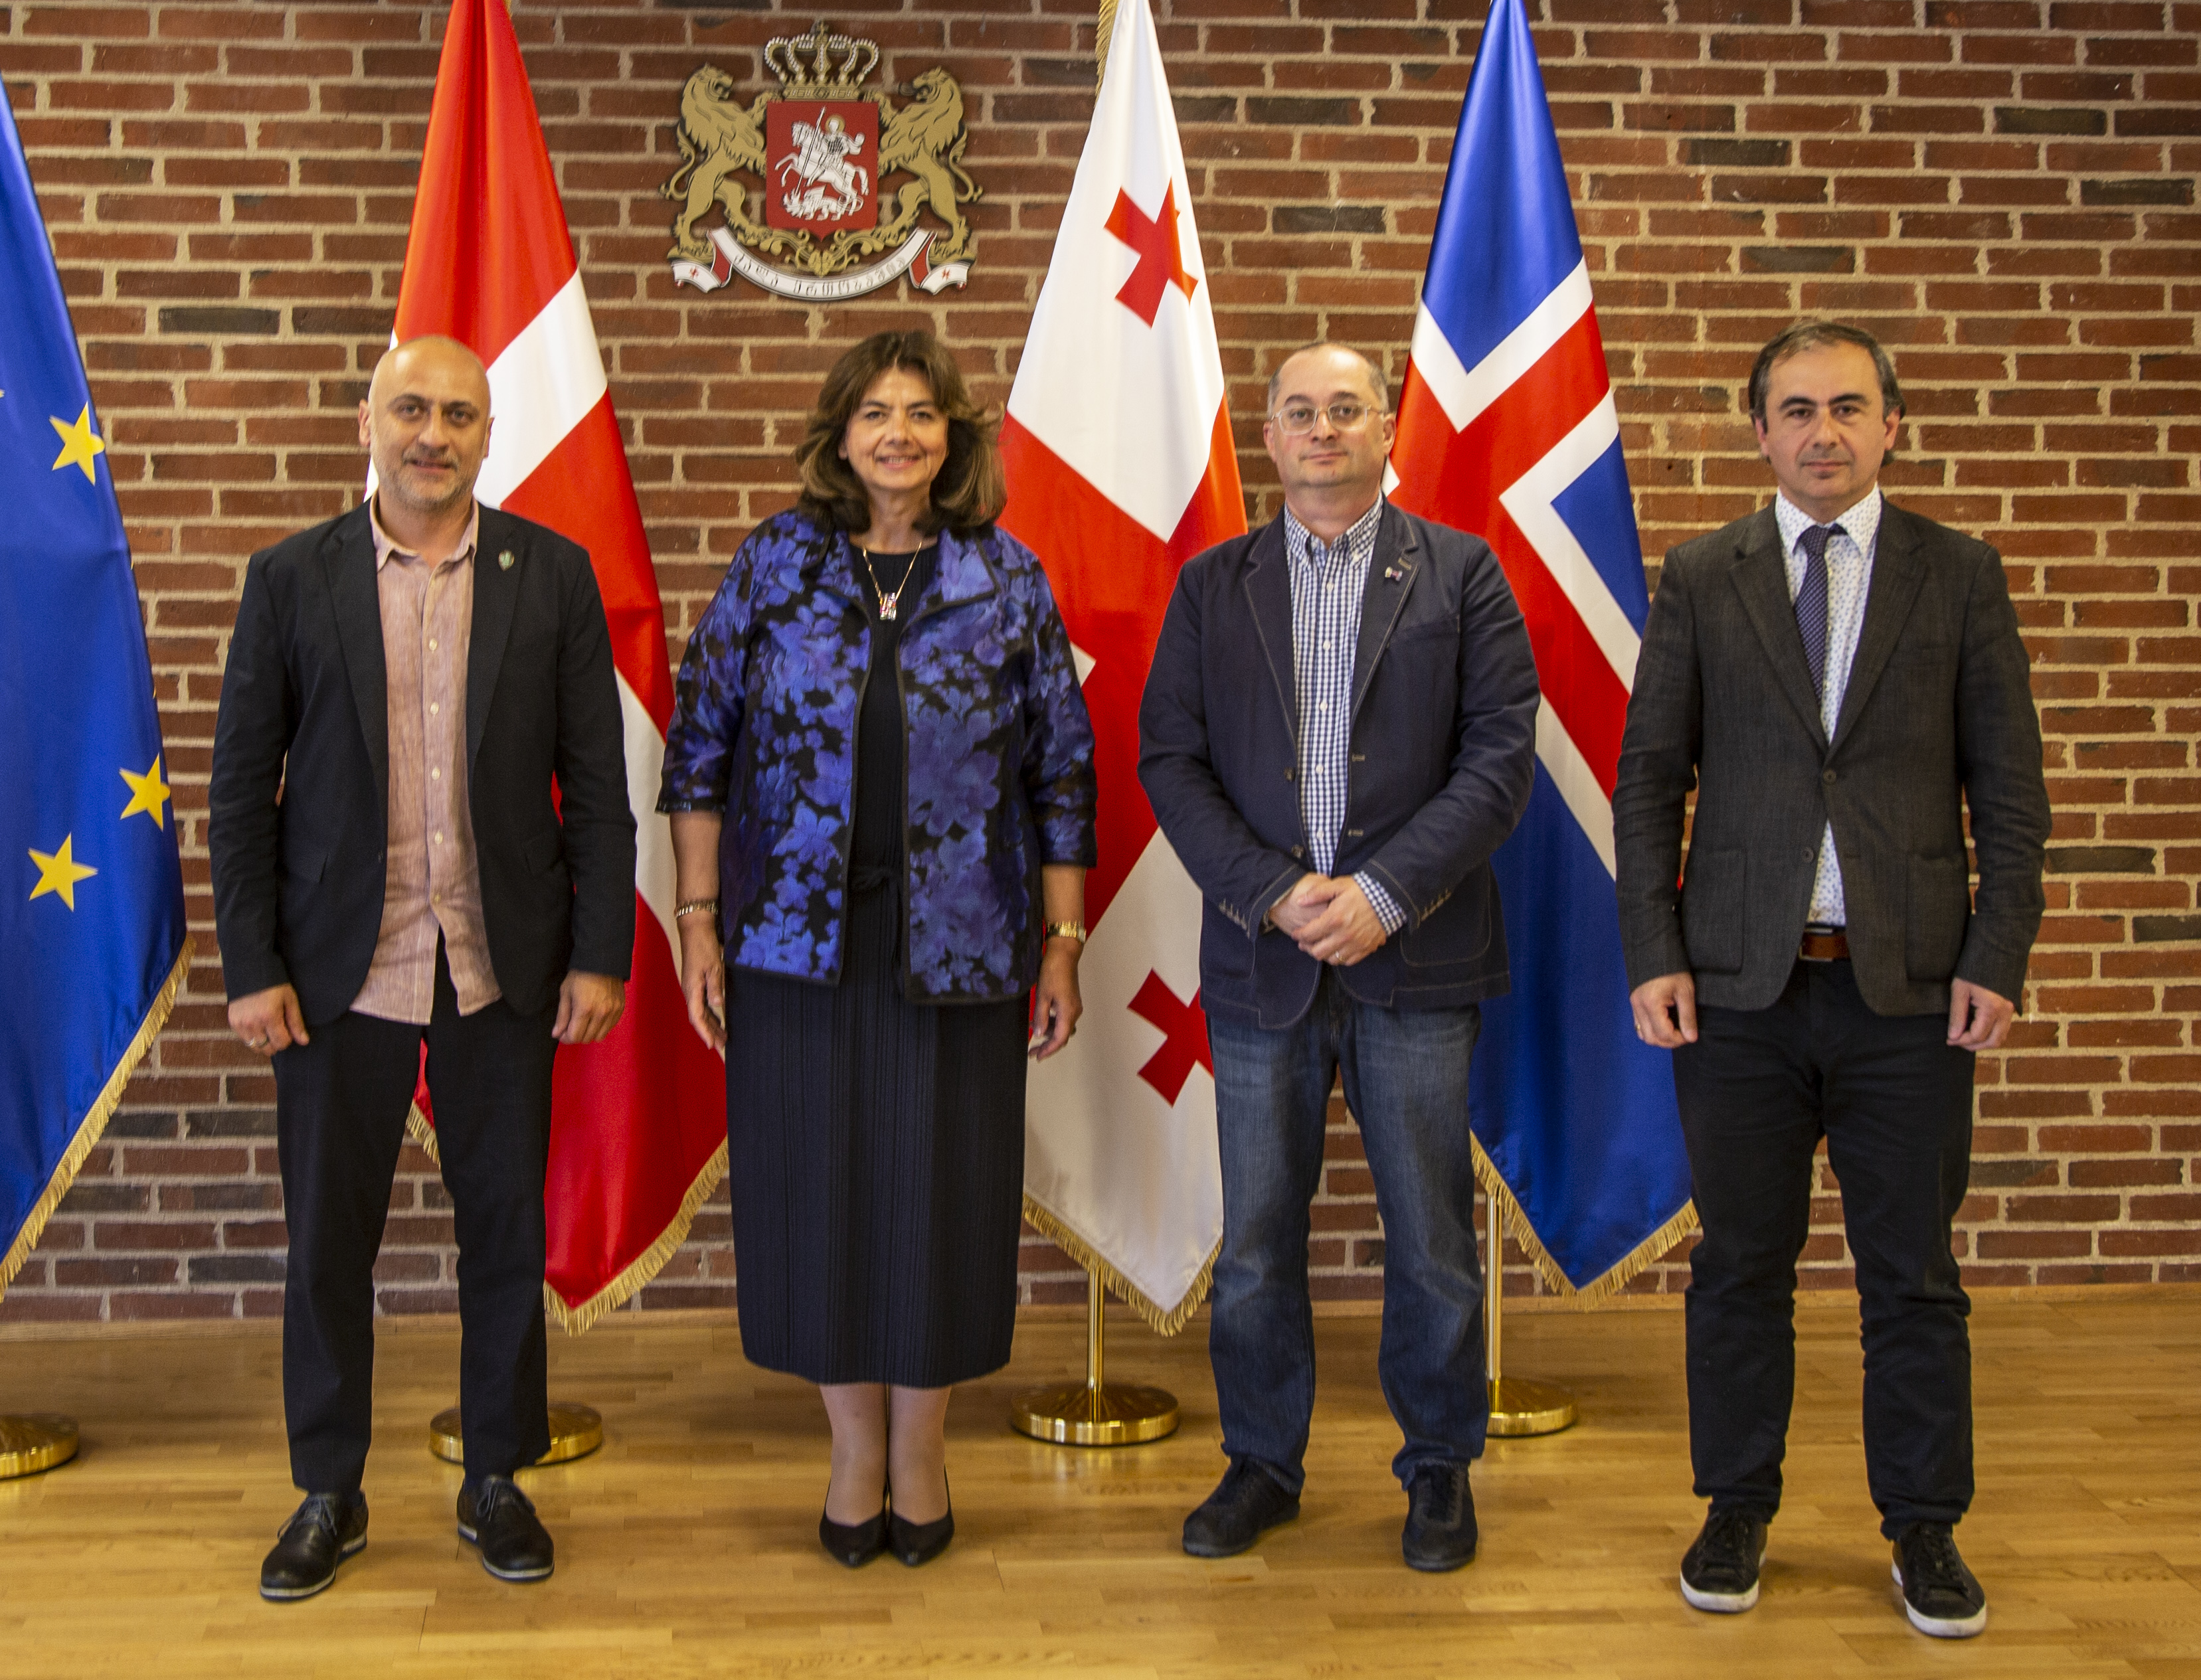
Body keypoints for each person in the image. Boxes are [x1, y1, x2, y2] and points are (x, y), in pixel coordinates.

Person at [1612, 321, 2050, 1638]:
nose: (1822, 432)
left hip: (1906, 994)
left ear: (1890, 425)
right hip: (1737, 992)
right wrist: (1654, 950)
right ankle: (1735, 1506)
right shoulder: (1703, 575)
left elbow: (2011, 795)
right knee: (1739, 1266)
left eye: (1848, 407)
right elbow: (1649, 783)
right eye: (1796, 409)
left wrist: (1995, 956)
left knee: (1910, 1272)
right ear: (1757, 430)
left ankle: (1923, 1527)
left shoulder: (1958, 574)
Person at [659, 329, 1096, 1569]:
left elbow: (1062, 773)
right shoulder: (774, 564)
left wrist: (1061, 944)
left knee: (940, 1199)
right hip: (795, 945)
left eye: (920, 412)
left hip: (963, 949)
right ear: (838, 437)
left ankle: (923, 1449)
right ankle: (853, 1451)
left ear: (951, 436)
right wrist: (697, 918)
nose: (897, 433)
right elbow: (698, 750)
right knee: (819, 1196)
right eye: (874, 413)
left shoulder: (1005, 576)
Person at [209, 335, 636, 1600]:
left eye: (457, 413)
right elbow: (240, 790)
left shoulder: (550, 575)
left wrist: (600, 952)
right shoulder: (291, 577)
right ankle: (326, 1490)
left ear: (488, 434)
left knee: (504, 1234)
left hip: (502, 965)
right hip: (335, 971)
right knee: (326, 1244)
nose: (431, 434)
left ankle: (496, 1476)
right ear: (368, 423)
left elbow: (598, 786)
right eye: (410, 409)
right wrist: (251, 964)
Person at [1138, 342, 1539, 1571]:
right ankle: (1261, 1462)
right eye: (1300, 412)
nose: (1322, 429)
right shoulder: (1213, 586)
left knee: (1430, 1237)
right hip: (1261, 961)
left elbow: (1498, 758)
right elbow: (1170, 761)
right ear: (1268, 436)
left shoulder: (1462, 574)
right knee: (1258, 1237)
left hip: (1415, 956)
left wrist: (1381, 894)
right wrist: (1271, 892)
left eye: (1346, 409)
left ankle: (1437, 1469)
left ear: (1385, 430)